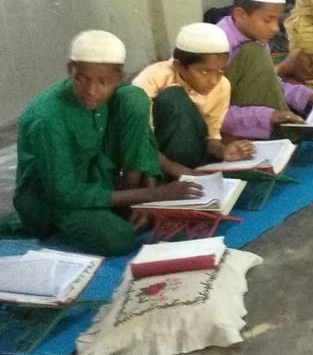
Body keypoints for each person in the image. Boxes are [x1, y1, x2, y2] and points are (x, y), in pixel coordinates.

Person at [12, 31, 202, 256]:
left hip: (99, 177)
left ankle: (127, 197)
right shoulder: (46, 118)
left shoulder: (116, 95)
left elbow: (142, 138)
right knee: (118, 239)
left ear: (118, 77)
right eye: (80, 78)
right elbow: (63, 192)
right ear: (69, 70)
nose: (91, 91)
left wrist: (148, 193)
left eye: (104, 81)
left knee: (135, 99)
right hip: (50, 198)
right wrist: (153, 195)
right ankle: (86, 217)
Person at [132, 23, 255, 179]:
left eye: (221, 70)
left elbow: (211, 137)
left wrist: (223, 151)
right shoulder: (151, 80)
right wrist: (175, 169)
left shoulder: (222, 86)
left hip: (192, 159)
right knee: (174, 97)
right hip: (154, 160)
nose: (213, 80)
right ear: (178, 66)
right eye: (204, 71)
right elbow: (140, 140)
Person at [217, 0, 313, 139]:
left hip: (250, 114)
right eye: (267, 20)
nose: (274, 28)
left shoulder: (256, 37)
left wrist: (308, 96)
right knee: (254, 52)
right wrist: (268, 117)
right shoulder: (217, 46)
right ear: (240, 14)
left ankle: (289, 131)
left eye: (277, 20)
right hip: (220, 126)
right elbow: (210, 112)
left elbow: (271, 84)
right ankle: (287, 136)